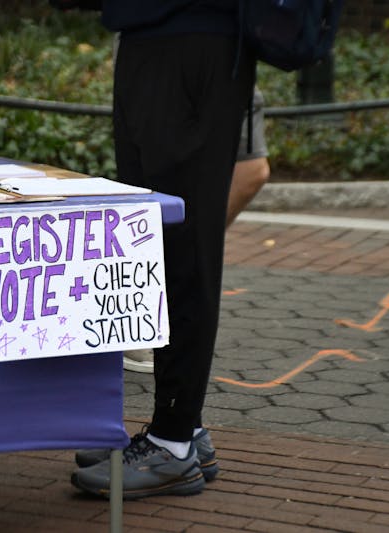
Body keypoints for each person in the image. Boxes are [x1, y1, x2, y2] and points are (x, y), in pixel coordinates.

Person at [53, 0, 256, 499]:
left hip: (193, 41)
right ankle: (183, 425)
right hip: (153, 37)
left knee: (184, 244)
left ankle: (174, 442)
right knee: (154, 239)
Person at [123, 85, 270, 373]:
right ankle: (142, 310)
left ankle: (158, 298)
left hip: (229, 63)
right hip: (167, 64)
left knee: (251, 171)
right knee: (164, 174)